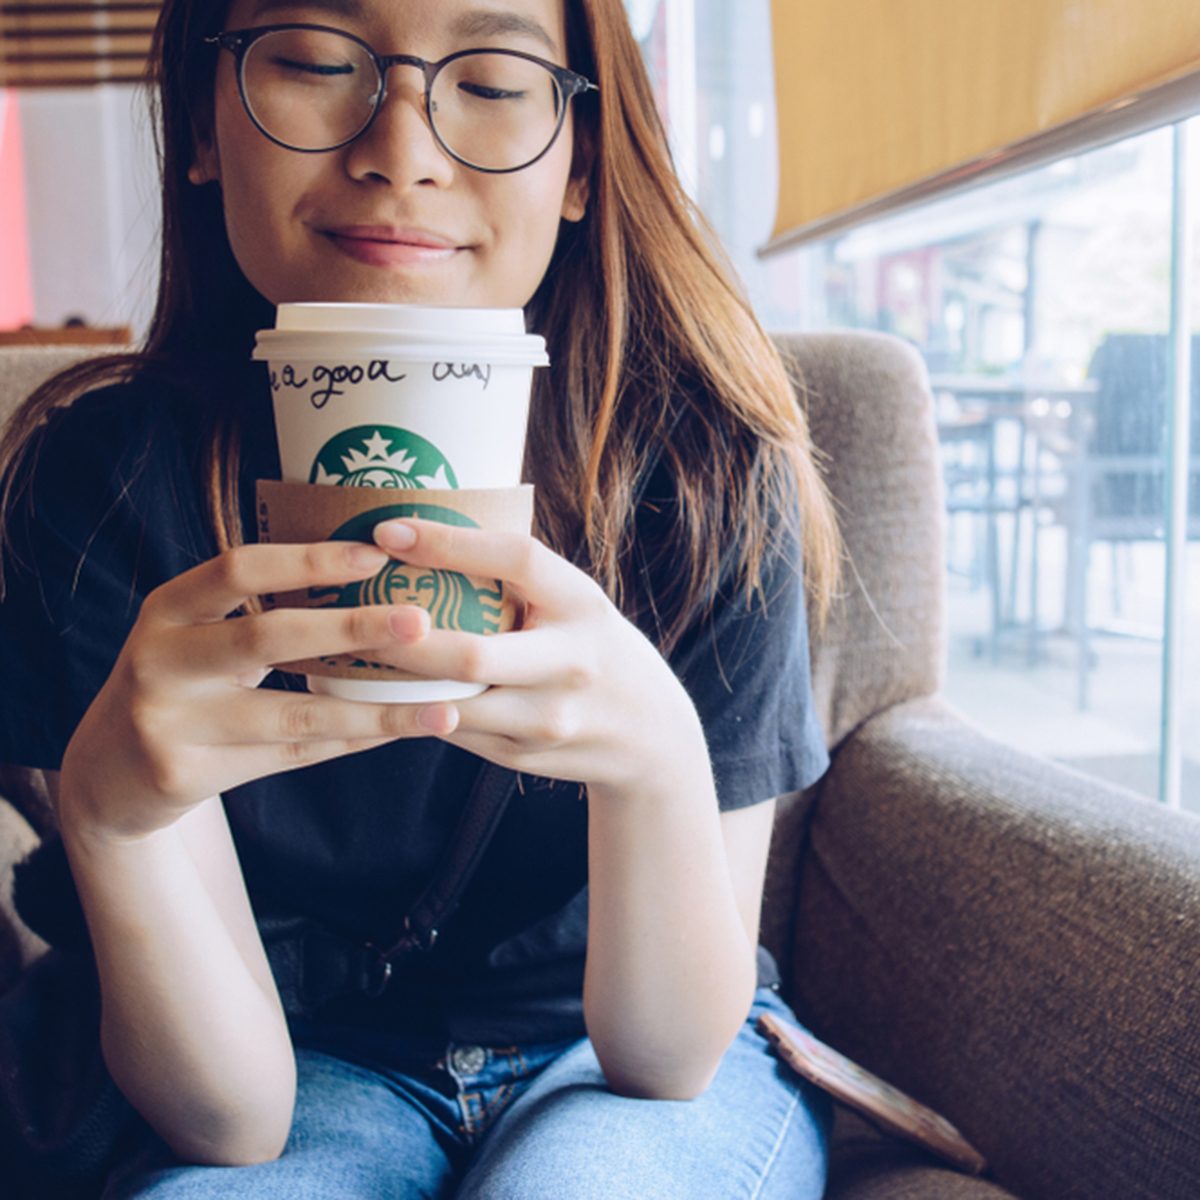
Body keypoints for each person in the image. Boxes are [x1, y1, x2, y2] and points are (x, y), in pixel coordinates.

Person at [0, 0, 842, 1195]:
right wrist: (112, 818)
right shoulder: (98, 488)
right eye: (312, 60)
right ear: (201, 121)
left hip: (597, 1061)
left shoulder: (708, 478)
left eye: (494, 81)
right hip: (295, 1057)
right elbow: (231, 1124)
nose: (402, 147)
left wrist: (656, 759)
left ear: (582, 163)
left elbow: (667, 1059)